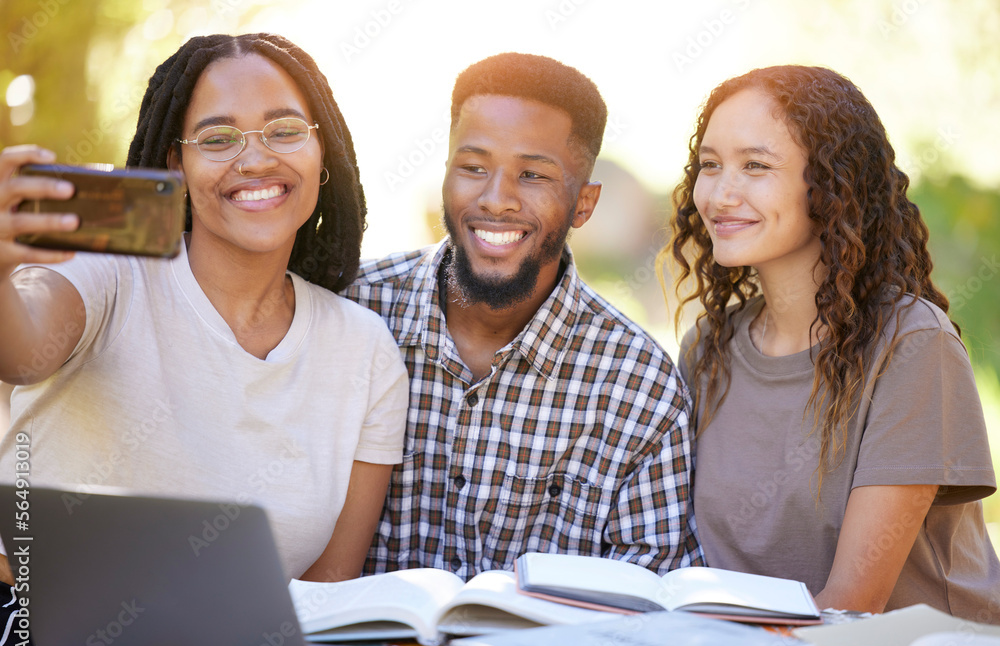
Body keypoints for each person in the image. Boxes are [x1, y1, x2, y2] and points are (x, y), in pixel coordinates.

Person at [0, 33, 408, 586]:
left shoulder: (365, 350)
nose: (256, 158)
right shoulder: (108, 271)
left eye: (285, 131)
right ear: (178, 165)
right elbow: (22, 353)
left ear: (322, 154)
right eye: (218, 138)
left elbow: (329, 591)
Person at [342, 53, 702, 581]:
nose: (497, 200)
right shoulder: (352, 310)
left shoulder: (640, 387)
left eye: (532, 175)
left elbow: (649, 601)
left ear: (584, 203)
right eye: (473, 168)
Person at [665, 64, 1000, 621]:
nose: (721, 193)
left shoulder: (914, 346)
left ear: (831, 183)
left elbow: (851, 607)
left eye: (756, 166)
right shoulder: (708, 347)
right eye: (710, 165)